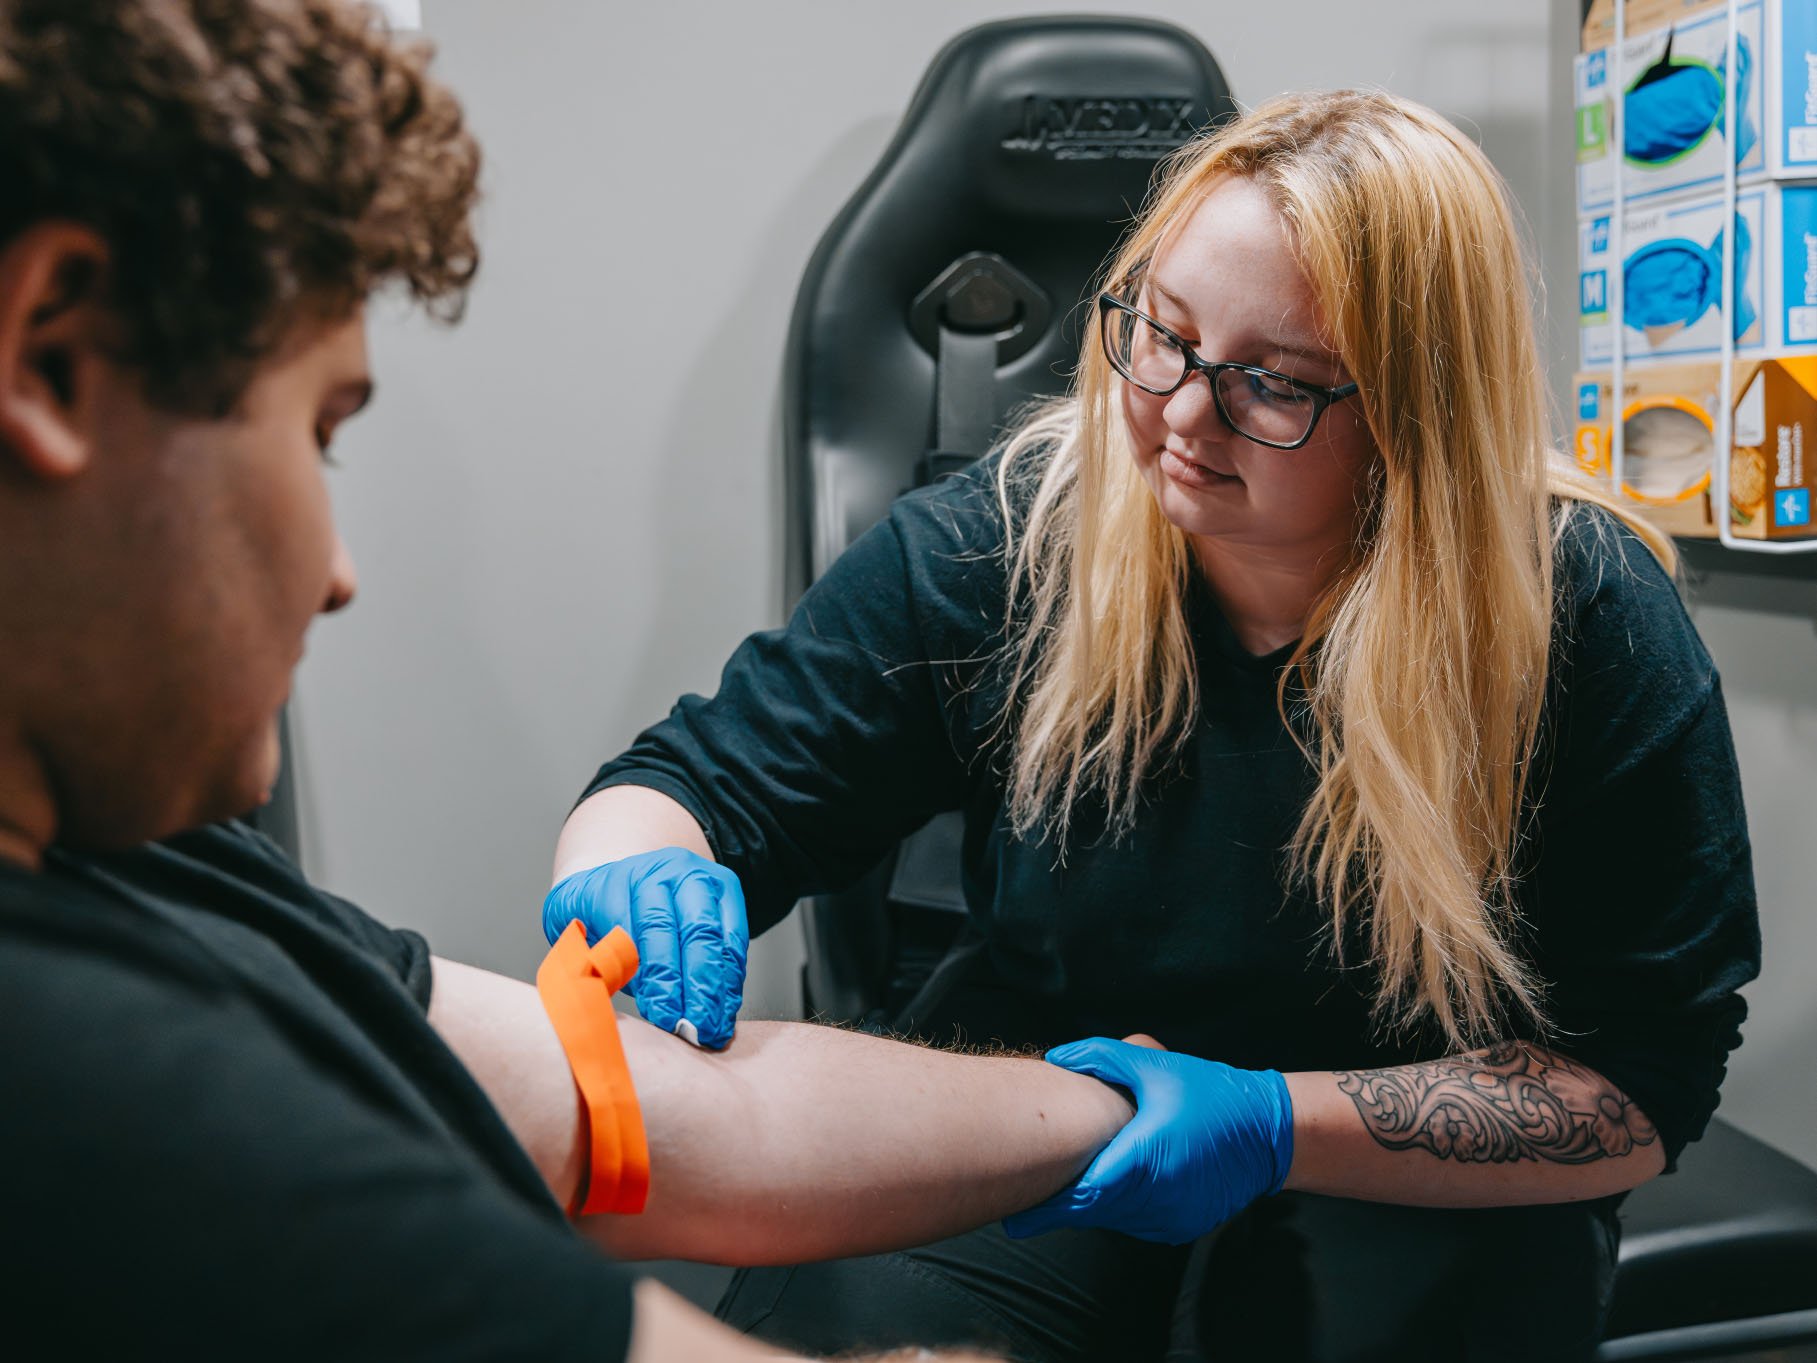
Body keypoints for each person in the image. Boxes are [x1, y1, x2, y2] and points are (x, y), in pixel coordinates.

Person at [0, 3, 1146, 1359]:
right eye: (317, 428)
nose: (337, 569)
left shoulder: (149, 872)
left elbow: (661, 1121)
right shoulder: (95, 1085)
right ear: (52, 362)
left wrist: (1162, 1101)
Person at [546, 91, 1763, 1361]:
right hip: (1042, 1089)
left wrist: (1271, 1120)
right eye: (1162, 335)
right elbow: (696, 779)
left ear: (1418, 412)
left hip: (1408, 1153)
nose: (1180, 415)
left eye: (1273, 384)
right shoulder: (1005, 539)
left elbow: (1639, 1082)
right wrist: (636, 858)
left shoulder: (1578, 612)